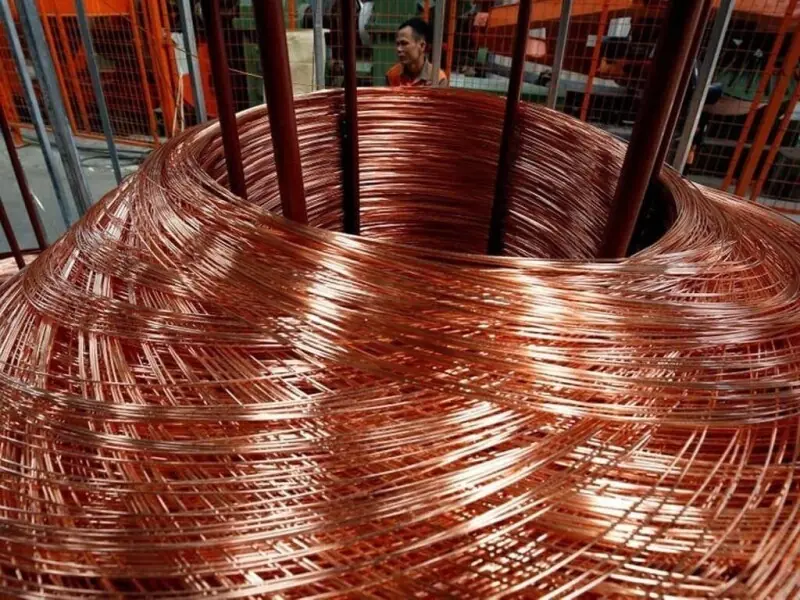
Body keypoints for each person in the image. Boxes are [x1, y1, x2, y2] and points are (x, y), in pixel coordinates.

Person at [385, 18, 447, 87]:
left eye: (404, 43)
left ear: (422, 46)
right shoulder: (392, 75)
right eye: (397, 44)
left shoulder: (437, 78)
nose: (398, 49)